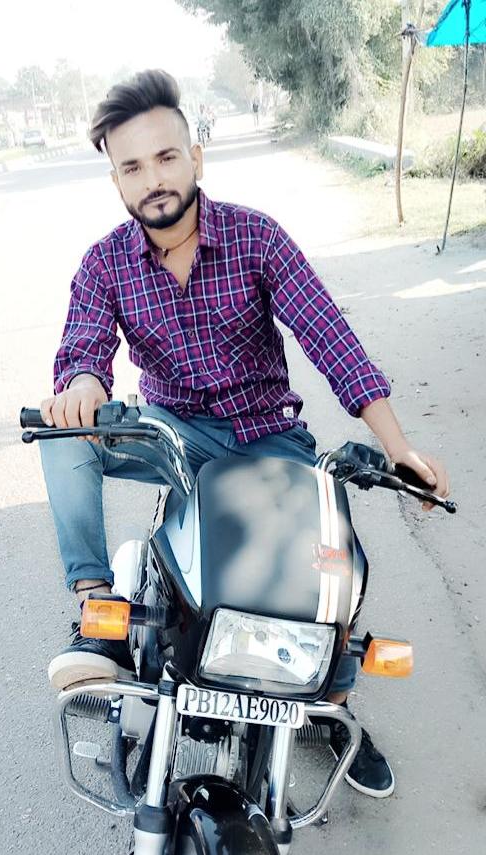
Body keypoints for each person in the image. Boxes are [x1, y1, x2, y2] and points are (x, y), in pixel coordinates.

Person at [38, 70, 449, 799]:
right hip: (170, 438)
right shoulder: (105, 262)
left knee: (327, 566)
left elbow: (331, 339)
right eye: (132, 167)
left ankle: (331, 704)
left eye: (166, 157)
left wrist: (399, 447)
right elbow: (83, 350)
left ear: (195, 157)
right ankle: (98, 615)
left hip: (267, 438)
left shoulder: (256, 237)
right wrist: (83, 386)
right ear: (117, 181)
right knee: (61, 433)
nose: (153, 179)